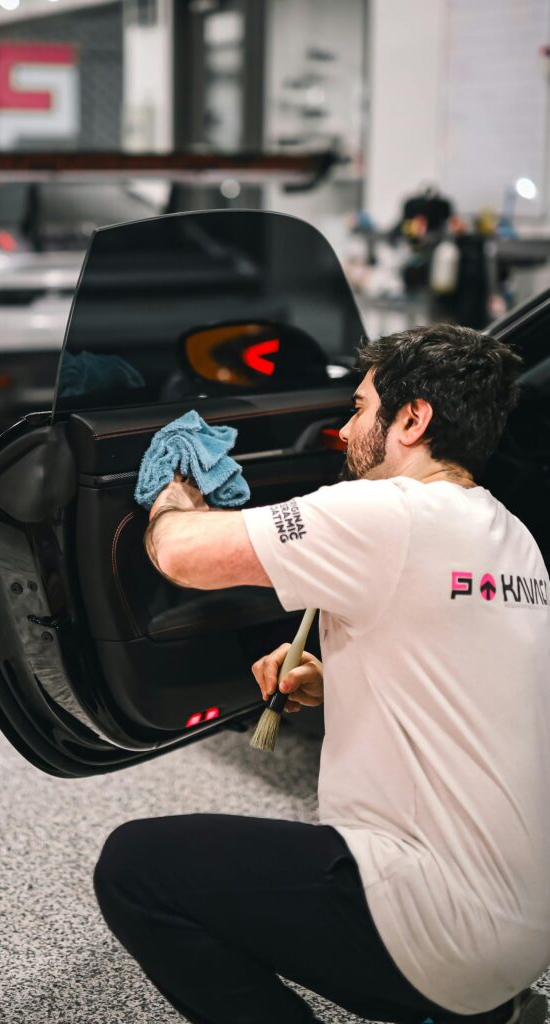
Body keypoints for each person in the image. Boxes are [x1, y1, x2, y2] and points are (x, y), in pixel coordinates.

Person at [93, 323, 550, 1024]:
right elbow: (468, 681)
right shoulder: (511, 538)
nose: (344, 428)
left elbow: (182, 556)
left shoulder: (386, 510)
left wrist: (173, 488)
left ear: (411, 418)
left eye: (359, 408)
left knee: (137, 868)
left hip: (432, 921)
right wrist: (335, 681)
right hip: (522, 930)